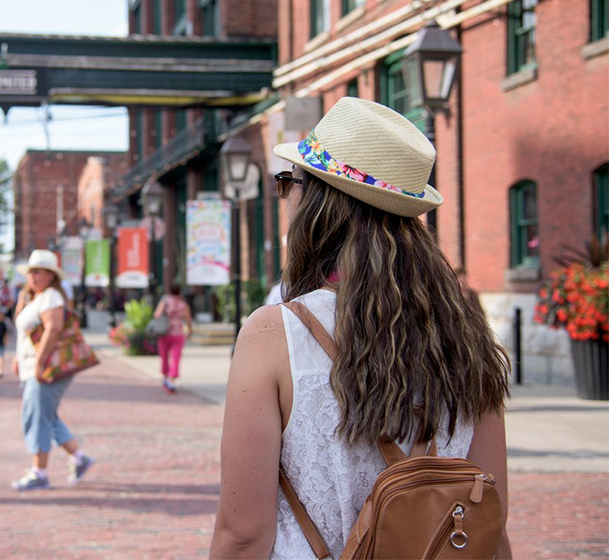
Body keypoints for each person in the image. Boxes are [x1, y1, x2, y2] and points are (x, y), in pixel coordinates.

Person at [209, 98, 512, 559]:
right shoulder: (466, 336)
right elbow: (491, 520)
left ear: (317, 200)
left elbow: (244, 534)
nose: (285, 196)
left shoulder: (275, 336)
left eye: (288, 182)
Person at [11, 249, 94, 491]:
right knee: (47, 415)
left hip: (46, 367)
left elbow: (53, 328)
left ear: (50, 275)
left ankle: (40, 472)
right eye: (30, 272)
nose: (32, 276)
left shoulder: (50, 297)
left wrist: (39, 361)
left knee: (36, 417)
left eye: (37, 272)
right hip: (36, 366)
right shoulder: (37, 297)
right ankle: (79, 458)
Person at [152, 284, 193, 394]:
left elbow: (156, 315)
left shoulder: (164, 302)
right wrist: (190, 331)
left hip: (165, 333)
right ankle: (172, 379)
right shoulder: (183, 304)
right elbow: (188, 320)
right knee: (176, 358)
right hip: (178, 334)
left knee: (164, 356)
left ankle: (165, 377)